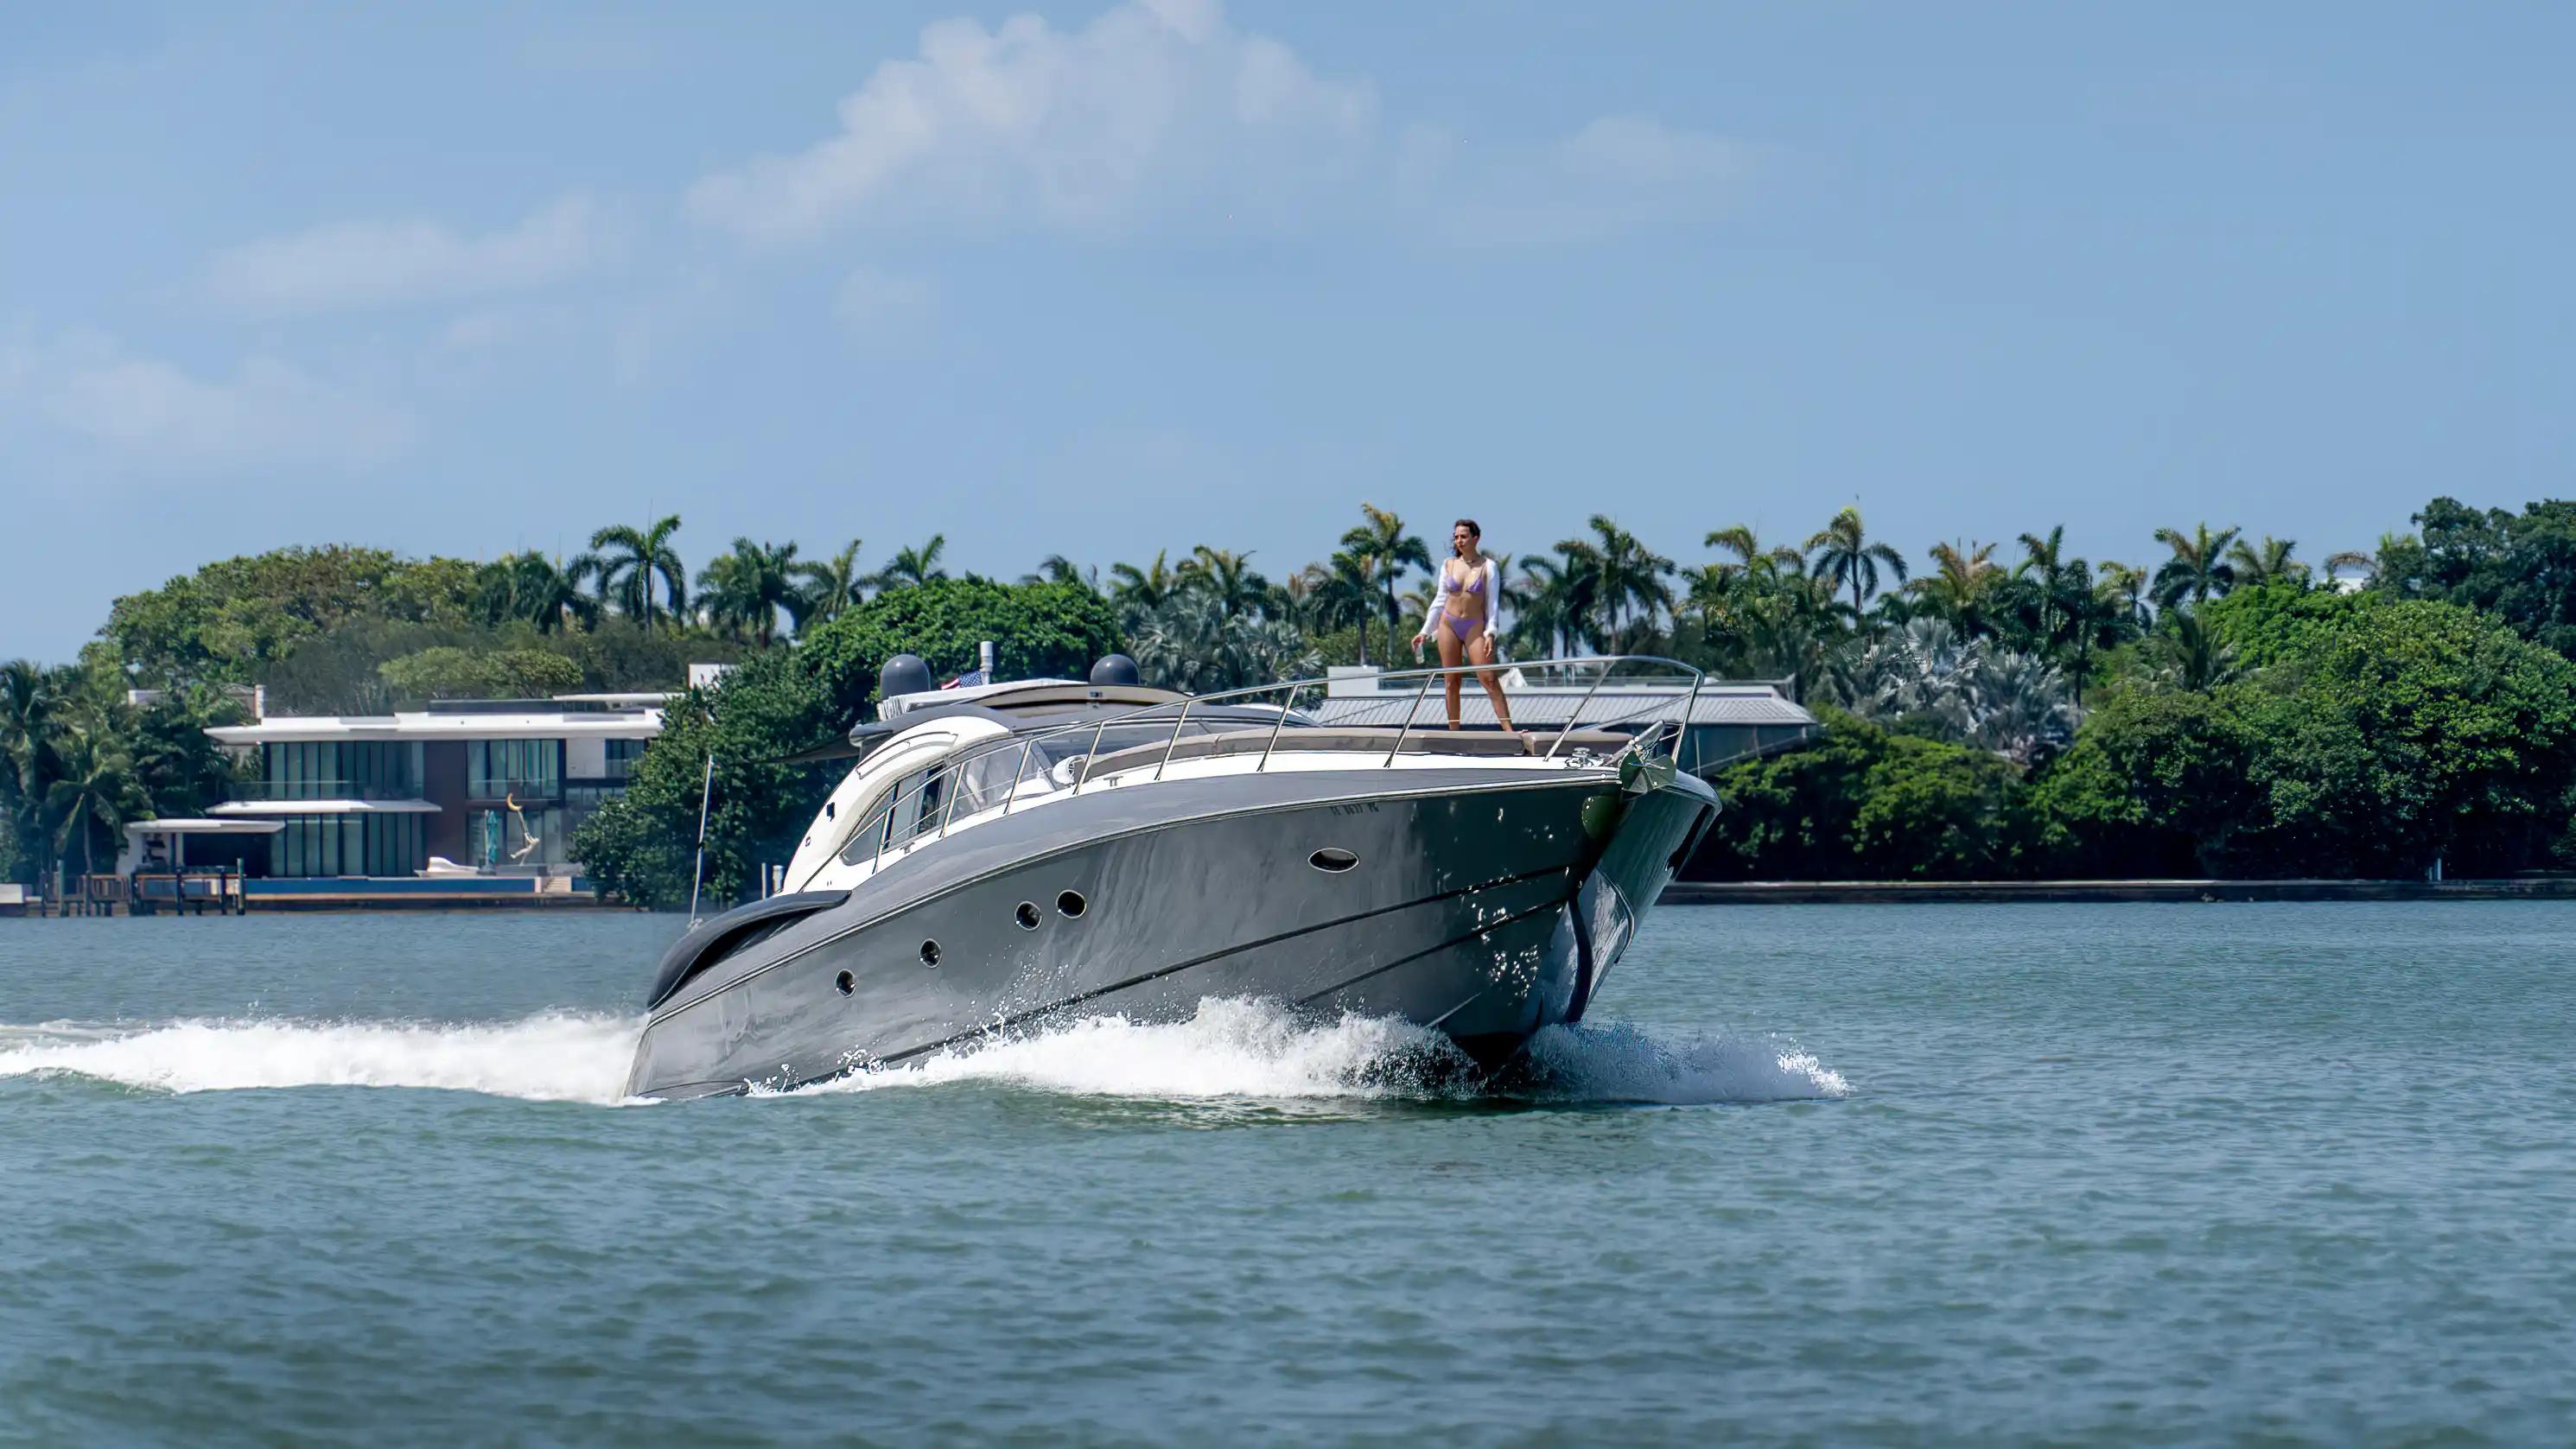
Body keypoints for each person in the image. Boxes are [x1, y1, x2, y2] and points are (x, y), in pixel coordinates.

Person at [1411, 518, 1517, 734]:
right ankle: (1454, 733)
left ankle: (1509, 731)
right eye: (1456, 537)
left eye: (1464, 536)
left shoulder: (1488, 567)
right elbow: (1439, 600)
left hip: (1474, 625)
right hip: (1448, 624)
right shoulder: (1449, 564)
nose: (1459, 540)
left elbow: (1493, 603)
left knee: (1488, 678)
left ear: (1475, 538)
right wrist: (1425, 631)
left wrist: (1491, 633)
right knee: (1451, 681)